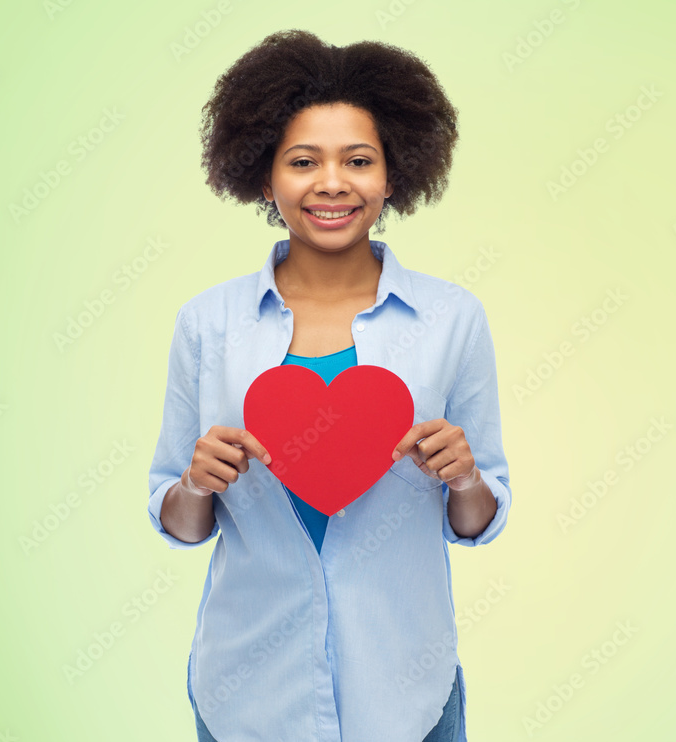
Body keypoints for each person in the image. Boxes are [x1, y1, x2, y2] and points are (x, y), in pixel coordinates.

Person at [147, 29, 512, 742]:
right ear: (263, 176)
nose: (332, 183)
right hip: (248, 688)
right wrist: (195, 484)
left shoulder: (450, 319)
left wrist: (464, 477)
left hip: (408, 685)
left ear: (394, 174)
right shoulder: (208, 323)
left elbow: (480, 516)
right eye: (303, 161)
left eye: (359, 161)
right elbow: (178, 521)